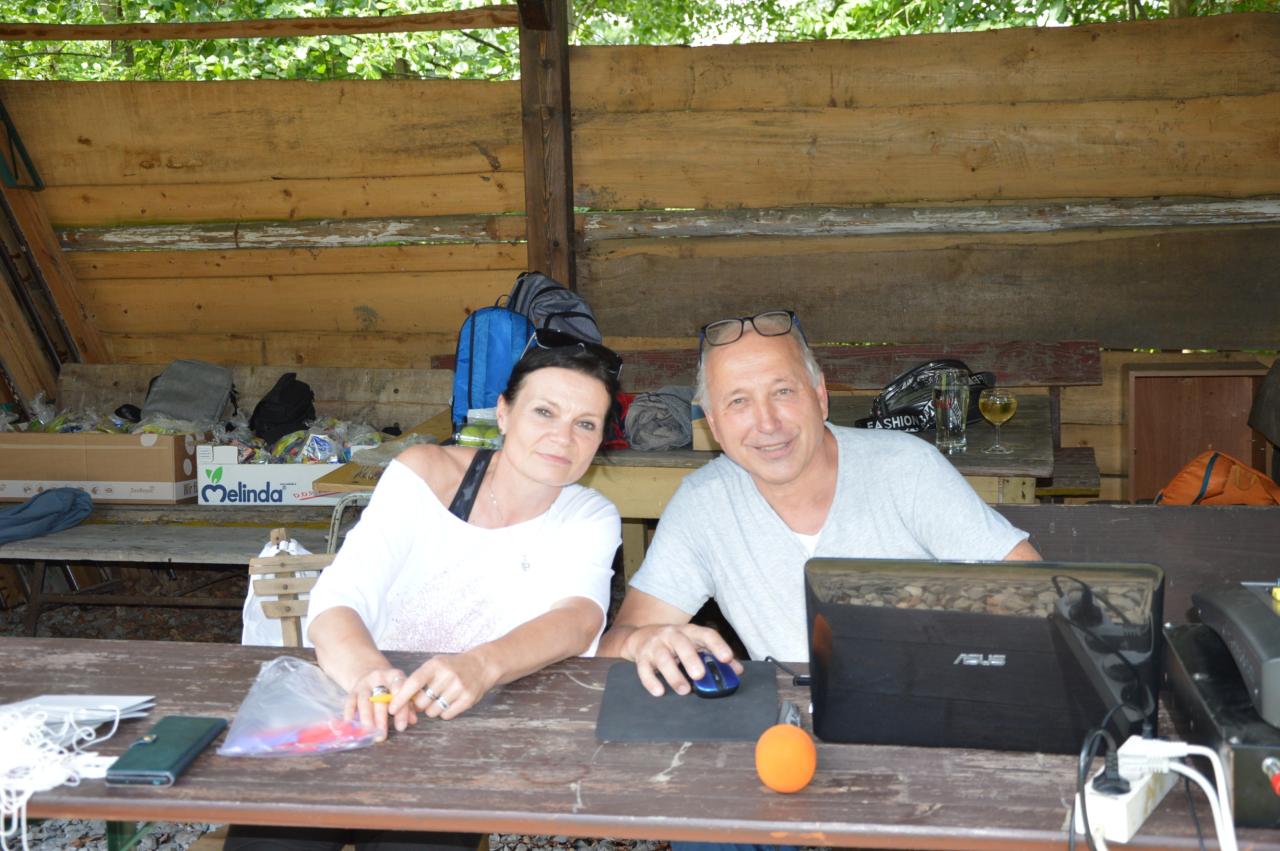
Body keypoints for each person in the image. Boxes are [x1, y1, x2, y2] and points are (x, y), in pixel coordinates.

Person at [225, 331, 624, 851]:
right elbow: (339, 597)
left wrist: (480, 666)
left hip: (458, 723)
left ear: (599, 440)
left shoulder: (588, 516)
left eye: (585, 424)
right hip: (353, 695)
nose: (562, 437)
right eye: (544, 412)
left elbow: (578, 618)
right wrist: (367, 674)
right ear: (503, 413)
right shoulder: (426, 473)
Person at [598, 309, 1041, 703]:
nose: (766, 423)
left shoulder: (906, 468)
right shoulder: (703, 505)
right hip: (793, 730)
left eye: (783, 391)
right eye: (738, 401)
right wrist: (644, 644)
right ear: (713, 424)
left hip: (931, 704)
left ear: (820, 396)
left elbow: (1033, 595)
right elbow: (618, 644)